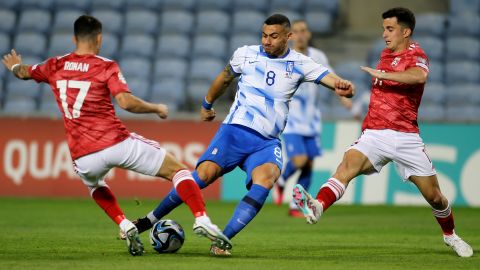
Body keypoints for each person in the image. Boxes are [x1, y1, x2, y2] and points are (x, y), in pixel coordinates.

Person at [1, 15, 231, 256]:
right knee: (179, 171)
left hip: (83, 155)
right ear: (99, 38)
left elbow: (25, 72)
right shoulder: (105, 66)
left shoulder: (55, 65)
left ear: (73, 38)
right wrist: (156, 108)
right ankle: (202, 219)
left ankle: (123, 222)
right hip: (116, 142)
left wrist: (16, 66)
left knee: (95, 185)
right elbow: (126, 102)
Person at [129, 14, 355, 256]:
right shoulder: (245, 54)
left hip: (266, 142)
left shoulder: (300, 63)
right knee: (203, 175)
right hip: (234, 132)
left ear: (288, 37)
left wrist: (340, 84)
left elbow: (328, 78)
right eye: (264, 35)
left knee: (266, 180)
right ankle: (148, 220)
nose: (267, 41)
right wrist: (207, 105)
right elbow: (224, 78)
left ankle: (221, 240)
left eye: (274, 36)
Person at [292, 7, 473, 257]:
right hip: (375, 132)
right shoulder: (384, 55)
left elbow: (418, 77)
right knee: (347, 166)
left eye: (390, 29)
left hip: (406, 136)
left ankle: (451, 236)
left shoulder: (416, 54)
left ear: (406, 31)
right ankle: (318, 206)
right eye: (383, 29)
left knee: (435, 197)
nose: (385, 34)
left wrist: (384, 74)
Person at [274, 20, 352, 217]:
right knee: (299, 160)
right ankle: (281, 181)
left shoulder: (318, 56)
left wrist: (343, 97)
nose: (301, 34)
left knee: (309, 164)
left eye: (304, 31)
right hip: (291, 119)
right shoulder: (285, 58)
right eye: (297, 31)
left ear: (308, 34)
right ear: (290, 36)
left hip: (311, 119)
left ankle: (295, 206)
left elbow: (331, 77)